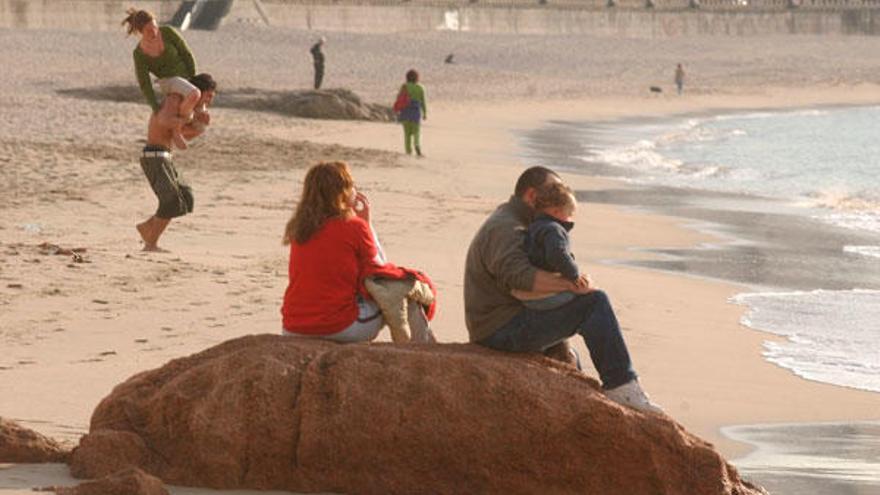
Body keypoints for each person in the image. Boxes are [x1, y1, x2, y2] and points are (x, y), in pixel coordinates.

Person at [463, 166, 663, 413]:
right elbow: (517, 277)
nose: (557, 195)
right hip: (499, 330)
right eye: (552, 190)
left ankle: (587, 394)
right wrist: (573, 284)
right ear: (531, 195)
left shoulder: (524, 222)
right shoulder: (507, 227)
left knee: (571, 349)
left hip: (505, 321)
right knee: (594, 303)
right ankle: (621, 385)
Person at [281, 162, 388, 342]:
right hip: (338, 326)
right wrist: (367, 224)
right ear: (343, 192)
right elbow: (380, 270)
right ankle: (424, 347)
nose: (355, 190)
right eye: (352, 185)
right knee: (399, 295)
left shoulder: (299, 228)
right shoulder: (354, 227)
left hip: (293, 326)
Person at [135, 76, 216, 252]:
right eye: (208, 96)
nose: (209, 101)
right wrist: (188, 121)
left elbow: (181, 136)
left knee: (186, 196)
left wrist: (200, 127)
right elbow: (165, 121)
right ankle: (151, 243)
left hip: (165, 157)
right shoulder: (175, 99)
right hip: (154, 156)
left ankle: (148, 227)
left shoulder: (186, 107)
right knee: (170, 201)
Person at [123, 8, 200, 150]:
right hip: (168, 81)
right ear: (141, 32)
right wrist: (154, 105)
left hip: (185, 78)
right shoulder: (139, 53)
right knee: (195, 94)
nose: (154, 32)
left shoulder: (167, 32)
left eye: (154, 27)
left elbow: (186, 54)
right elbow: (144, 82)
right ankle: (177, 128)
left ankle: (183, 128)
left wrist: (193, 77)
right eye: (148, 31)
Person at [513, 181, 588, 311]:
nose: (571, 218)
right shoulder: (553, 229)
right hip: (544, 297)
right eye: (569, 213)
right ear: (556, 211)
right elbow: (557, 254)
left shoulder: (534, 226)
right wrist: (574, 274)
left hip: (528, 294)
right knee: (595, 297)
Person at [396, 69, 427, 157]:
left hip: (405, 112)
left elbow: (399, 98)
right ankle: (417, 144)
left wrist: (398, 110)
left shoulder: (404, 86)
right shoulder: (420, 88)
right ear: (417, 78)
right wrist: (425, 113)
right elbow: (423, 102)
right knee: (416, 131)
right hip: (415, 112)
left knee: (407, 134)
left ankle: (408, 151)